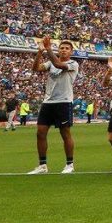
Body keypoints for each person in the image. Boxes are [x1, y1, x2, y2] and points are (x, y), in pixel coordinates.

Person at [28, 36, 78, 174]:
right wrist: (40, 52)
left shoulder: (73, 64)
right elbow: (36, 68)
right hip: (48, 102)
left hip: (64, 102)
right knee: (40, 133)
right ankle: (42, 165)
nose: (63, 50)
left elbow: (58, 65)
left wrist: (48, 48)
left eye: (67, 48)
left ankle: (69, 164)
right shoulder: (50, 63)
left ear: (71, 52)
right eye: (61, 48)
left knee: (65, 133)